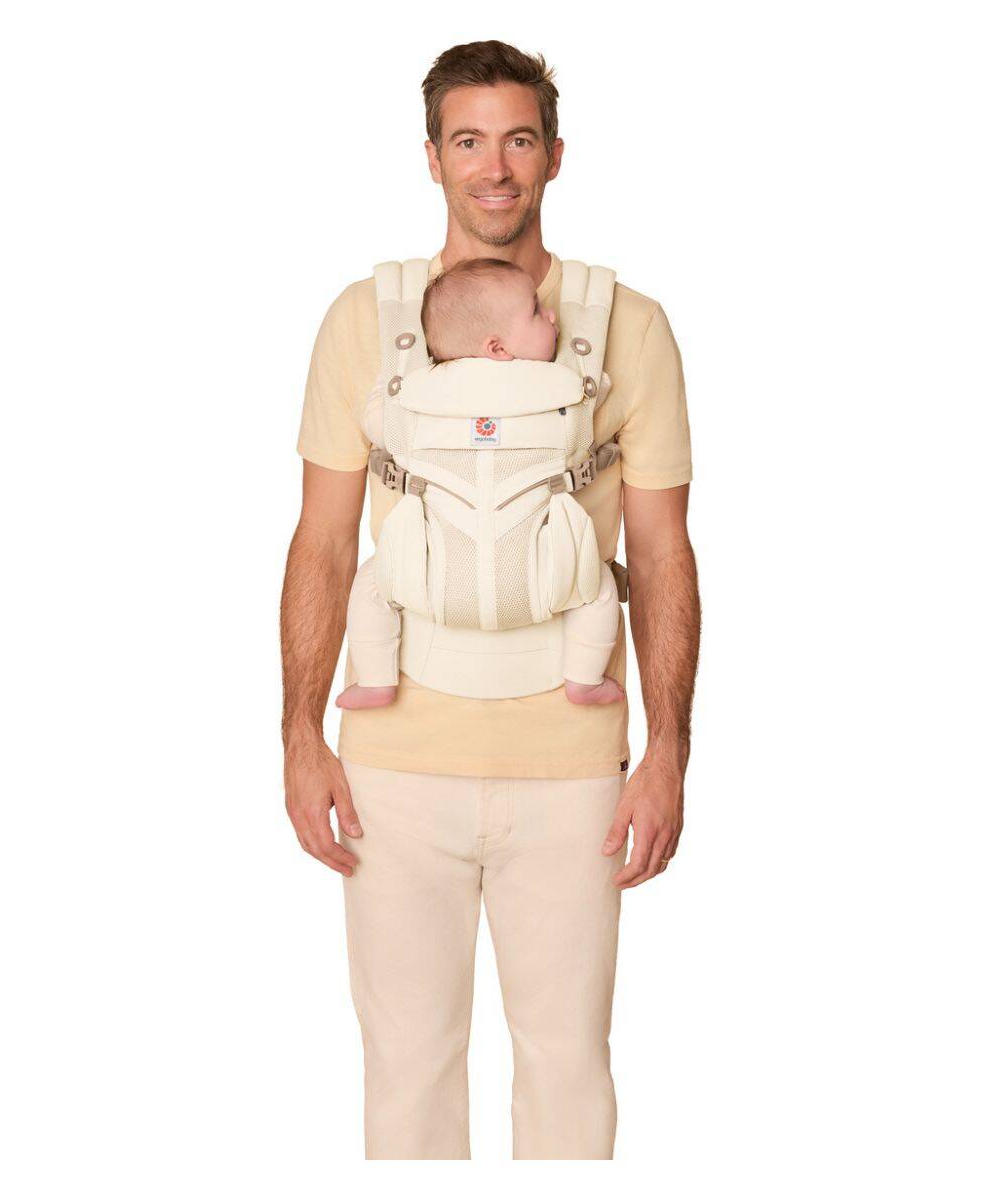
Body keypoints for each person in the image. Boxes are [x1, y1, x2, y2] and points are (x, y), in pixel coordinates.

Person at [281, 40, 701, 1160]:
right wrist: (299, 736)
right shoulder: (363, 322)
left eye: (519, 140)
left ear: (556, 155)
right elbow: (322, 543)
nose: (495, 167)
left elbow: (664, 552)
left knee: (568, 1070)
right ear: (432, 158)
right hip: (393, 769)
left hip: (573, 769)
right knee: (406, 1074)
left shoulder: (628, 328)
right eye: (469, 141)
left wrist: (668, 750)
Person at [335, 256, 626, 711]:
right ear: (498, 348)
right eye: (536, 310)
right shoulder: (566, 402)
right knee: (598, 587)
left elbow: (377, 421)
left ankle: (375, 679)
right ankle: (584, 679)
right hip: (540, 582)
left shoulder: (412, 407)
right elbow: (598, 389)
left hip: (433, 586)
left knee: (372, 584)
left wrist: (384, 386)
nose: (552, 315)